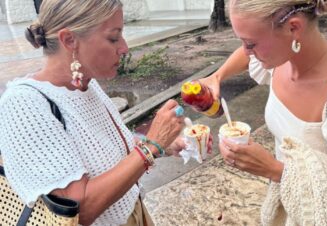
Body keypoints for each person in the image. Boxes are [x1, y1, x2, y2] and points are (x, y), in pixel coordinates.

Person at [0, 0, 202, 225]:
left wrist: (164, 143)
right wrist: (152, 146)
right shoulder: (24, 105)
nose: (125, 47)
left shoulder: (86, 84)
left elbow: (105, 149)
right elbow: (79, 212)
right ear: (69, 40)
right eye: (114, 37)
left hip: (134, 213)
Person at [200, 0, 327, 224]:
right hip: (290, 209)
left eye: (250, 44)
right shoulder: (279, 59)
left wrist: (275, 170)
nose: (246, 52)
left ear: (293, 27)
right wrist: (217, 77)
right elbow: (246, 56)